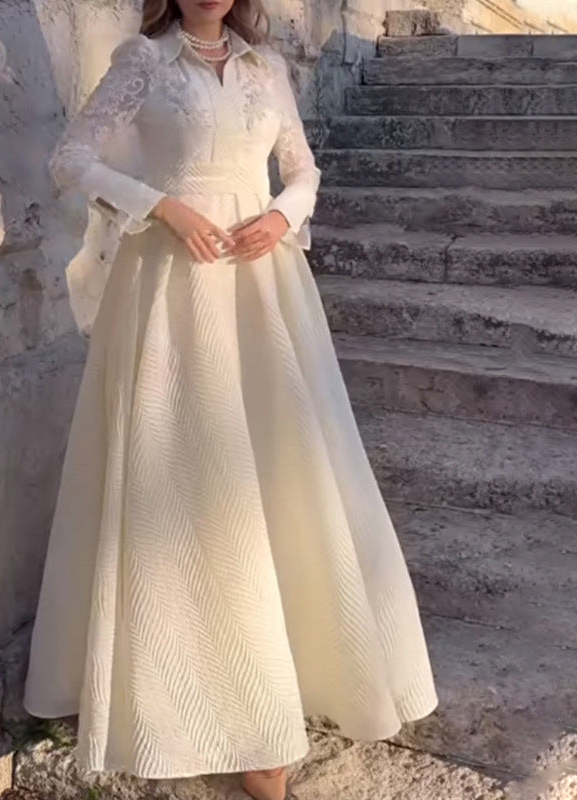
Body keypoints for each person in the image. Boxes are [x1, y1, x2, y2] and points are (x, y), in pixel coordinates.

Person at [23, 2, 440, 799]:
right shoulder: (141, 62)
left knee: (283, 474)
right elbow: (70, 158)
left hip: (264, 285)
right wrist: (161, 205)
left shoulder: (267, 68)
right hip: (173, 288)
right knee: (181, 476)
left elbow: (304, 169)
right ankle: (205, 708)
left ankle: (291, 687)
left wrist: (282, 212)